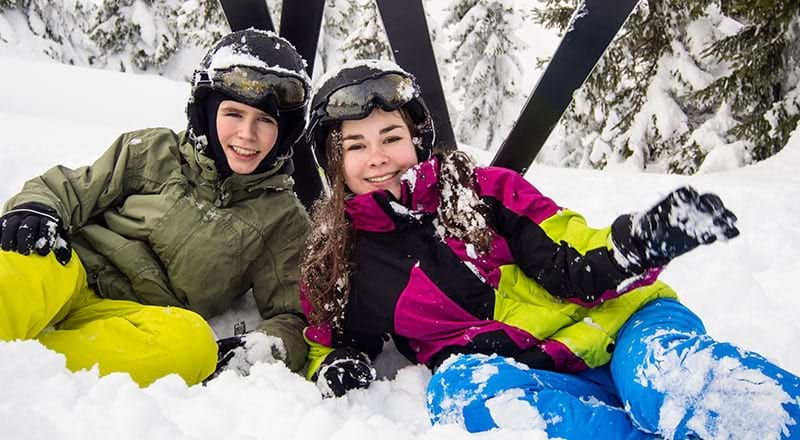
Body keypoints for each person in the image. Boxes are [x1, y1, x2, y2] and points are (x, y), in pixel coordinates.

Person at [299, 60, 800, 438]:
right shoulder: (343, 262)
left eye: (392, 137)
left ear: (418, 141)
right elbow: (328, 334)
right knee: (460, 394)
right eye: (356, 146)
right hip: (531, 375)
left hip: (621, 323)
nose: (379, 157)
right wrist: (334, 363)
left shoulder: (484, 190)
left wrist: (637, 244)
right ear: (334, 162)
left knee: (665, 380)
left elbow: (571, 257)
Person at [0, 29, 311, 387]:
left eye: (265, 121)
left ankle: (28, 372)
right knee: (24, 261)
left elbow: (292, 315)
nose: (247, 134)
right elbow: (69, 188)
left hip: (137, 318)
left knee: (193, 346)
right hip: (72, 270)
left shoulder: (280, 217)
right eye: (234, 114)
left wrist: (260, 350)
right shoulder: (153, 150)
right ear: (207, 113)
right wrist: (37, 207)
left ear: (285, 132)